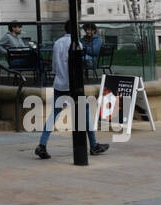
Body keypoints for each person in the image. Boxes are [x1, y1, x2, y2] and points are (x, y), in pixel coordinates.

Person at [34, 20, 109, 160]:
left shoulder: (57, 43)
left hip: (59, 84)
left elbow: (54, 67)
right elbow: (78, 66)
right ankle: (93, 144)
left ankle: (42, 144)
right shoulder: (77, 44)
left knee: (53, 115)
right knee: (85, 113)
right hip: (74, 86)